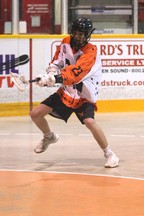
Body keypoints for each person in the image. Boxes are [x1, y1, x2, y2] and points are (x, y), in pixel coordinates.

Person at [30, 17, 119, 168]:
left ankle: (110, 154)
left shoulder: (91, 51)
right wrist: (49, 74)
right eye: (76, 32)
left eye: (82, 33)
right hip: (66, 92)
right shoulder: (65, 42)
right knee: (35, 114)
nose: (78, 36)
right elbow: (56, 62)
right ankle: (49, 137)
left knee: (90, 122)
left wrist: (54, 79)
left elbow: (75, 74)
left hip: (83, 94)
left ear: (87, 35)